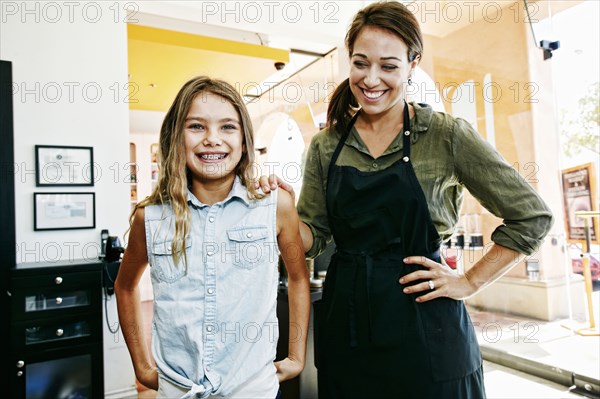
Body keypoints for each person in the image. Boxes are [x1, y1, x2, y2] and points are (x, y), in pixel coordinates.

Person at [259, 2, 554, 398]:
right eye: (361, 63)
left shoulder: (446, 135)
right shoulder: (327, 146)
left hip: (430, 333)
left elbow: (531, 217)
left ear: (413, 64)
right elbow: (315, 239)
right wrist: (281, 213)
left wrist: (468, 281)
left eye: (389, 66)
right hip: (348, 334)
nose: (371, 79)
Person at [115, 76, 310, 399]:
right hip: (177, 390)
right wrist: (142, 366)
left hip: (251, 389)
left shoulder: (275, 205)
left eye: (227, 127)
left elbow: (298, 278)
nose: (212, 139)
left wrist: (296, 356)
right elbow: (125, 286)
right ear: (176, 137)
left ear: (245, 141)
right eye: (196, 127)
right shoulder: (149, 217)